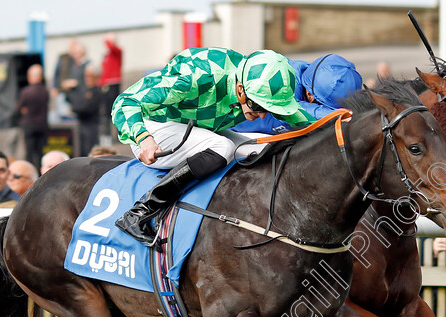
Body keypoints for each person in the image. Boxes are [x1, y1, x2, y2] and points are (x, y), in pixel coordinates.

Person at [112, 48, 315, 245]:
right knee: (223, 146)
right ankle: (140, 212)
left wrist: (340, 122)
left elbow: (301, 118)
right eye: (260, 106)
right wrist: (143, 137)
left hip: (191, 128)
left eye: (268, 108)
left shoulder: (253, 82)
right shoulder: (197, 78)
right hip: (151, 128)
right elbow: (125, 102)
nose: (262, 115)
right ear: (241, 90)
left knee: (265, 148)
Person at [231, 53, 362, 135]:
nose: (325, 110)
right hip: (228, 129)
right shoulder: (283, 84)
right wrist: (342, 115)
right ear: (310, 95)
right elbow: (301, 111)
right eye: (323, 107)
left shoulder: (315, 77)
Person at [15, 64, 49, 172]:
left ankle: (30, 174)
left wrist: (24, 111)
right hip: (42, 126)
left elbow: (18, 109)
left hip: (29, 126)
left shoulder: (26, 92)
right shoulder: (45, 91)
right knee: (40, 154)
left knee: (29, 154)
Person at [67, 66, 104, 156]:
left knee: (89, 151)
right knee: (81, 151)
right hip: (82, 125)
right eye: (85, 76)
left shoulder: (96, 91)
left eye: (89, 76)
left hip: (91, 126)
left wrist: (74, 105)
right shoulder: (85, 90)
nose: (87, 78)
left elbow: (82, 108)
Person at [98, 33, 122, 144]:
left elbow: (112, 48)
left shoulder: (117, 51)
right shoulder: (107, 55)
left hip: (114, 84)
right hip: (106, 85)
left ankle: (118, 134)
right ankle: (107, 135)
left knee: (115, 109)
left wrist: (106, 40)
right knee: (106, 112)